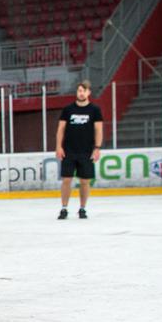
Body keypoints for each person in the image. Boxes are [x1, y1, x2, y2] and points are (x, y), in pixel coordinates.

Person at [55, 80, 103, 219]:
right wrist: (58, 146)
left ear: (88, 93)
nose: (81, 93)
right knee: (66, 180)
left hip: (86, 151)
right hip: (69, 150)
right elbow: (61, 129)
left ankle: (82, 208)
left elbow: (98, 130)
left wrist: (97, 148)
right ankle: (64, 208)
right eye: (79, 91)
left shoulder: (95, 110)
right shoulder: (68, 109)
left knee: (84, 181)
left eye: (83, 91)